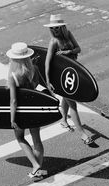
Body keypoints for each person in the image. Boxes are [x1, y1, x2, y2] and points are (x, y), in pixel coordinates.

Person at [44, 14, 93, 145]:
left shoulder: (68, 35)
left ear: (62, 27)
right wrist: (48, 80)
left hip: (71, 73)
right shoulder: (53, 42)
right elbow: (47, 62)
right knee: (73, 104)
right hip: (60, 77)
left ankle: (64, 120)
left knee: (67, 98)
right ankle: (82, 133)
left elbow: (78, 49)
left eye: (57, 27)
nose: (55, 30)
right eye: (52, 28)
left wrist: (67, 52)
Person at [6, 42, 44, 178]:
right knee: (37, 140)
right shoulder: (34, 69)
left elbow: (13, 101)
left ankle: (35, 165)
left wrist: (12, 118)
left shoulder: (13, 76)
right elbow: (39, 87)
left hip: (22, 113)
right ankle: (37, 172)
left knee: (20, 137)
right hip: (34, 109)